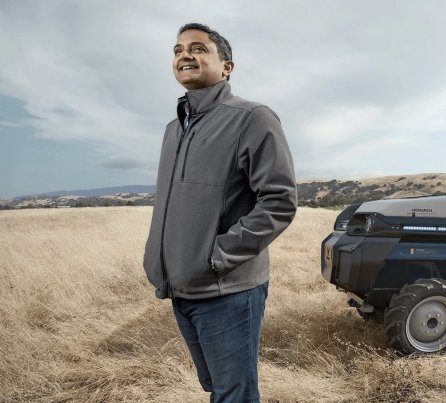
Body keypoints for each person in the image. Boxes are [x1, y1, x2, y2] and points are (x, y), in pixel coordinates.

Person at [143, 22, 297, 402]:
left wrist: (217, 257)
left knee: (234, 394)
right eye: (178, 50)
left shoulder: (252, 117)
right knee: (216, 387)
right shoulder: (172, 130)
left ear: (227, 66)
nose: (185, 56)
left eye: (198, 48)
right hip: (180, 289)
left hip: (227, 291)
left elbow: (279, 201)